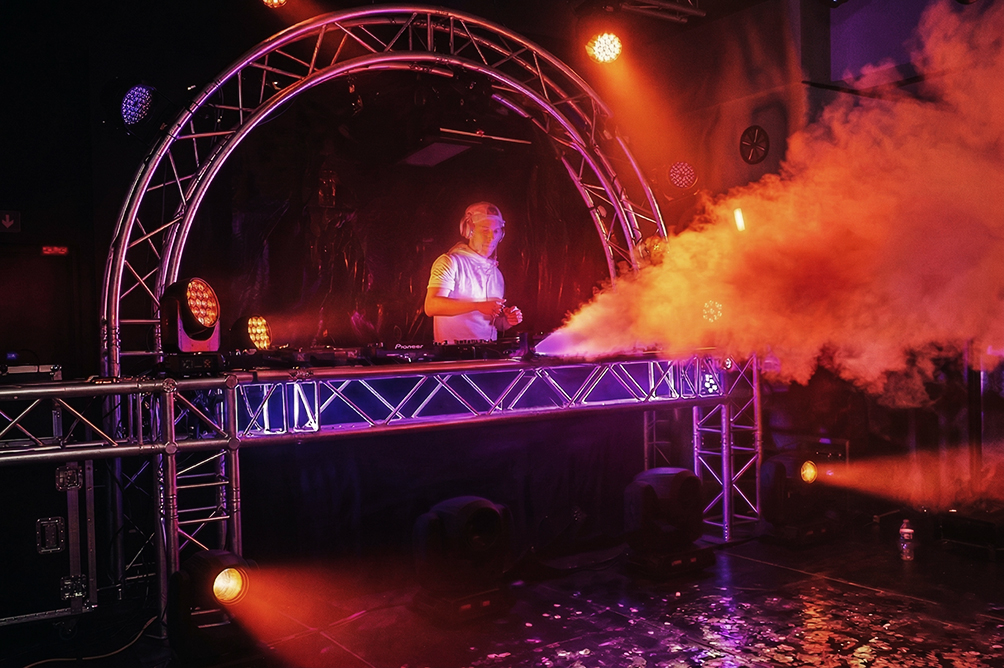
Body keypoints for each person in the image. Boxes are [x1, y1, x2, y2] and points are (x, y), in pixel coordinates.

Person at [425, 201, 523, 344]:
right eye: (485, 230)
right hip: (453, 354)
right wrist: (477, 306)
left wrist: (508, 321)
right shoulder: (450, 262)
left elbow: (493, 324)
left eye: (496, 231)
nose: (491, 237)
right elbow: (431, 306)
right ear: (468, 231)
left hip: (488, 353)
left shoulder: (496, 274)